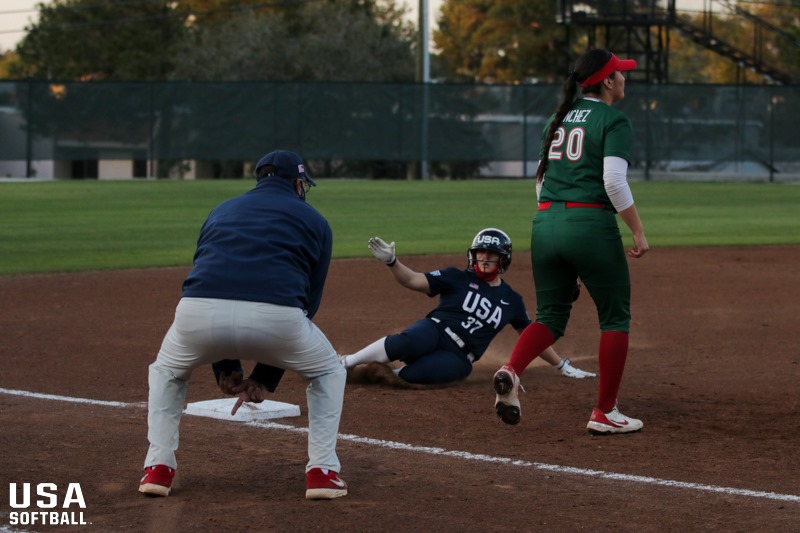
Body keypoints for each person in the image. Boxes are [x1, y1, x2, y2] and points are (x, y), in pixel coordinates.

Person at [138, 149, 348, 500]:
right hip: (277, 318)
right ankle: (322, 472)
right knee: (328, 372)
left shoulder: (221, 210)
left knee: (167, 372)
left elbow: (208, 274)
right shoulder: (316, 221)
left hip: (196, 312)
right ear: (298, 184)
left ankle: (158, 468)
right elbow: (307, 305)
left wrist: (227, 368)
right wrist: (265, 377)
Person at [492, 49, 650, 434]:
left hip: (545, 222)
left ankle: (511, 370)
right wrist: (638, 230)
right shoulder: (614, 120)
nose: (625, 79)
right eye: (620, 74)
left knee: (550, 316)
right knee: (614, 317)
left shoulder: (556, 118)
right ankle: (605, 412)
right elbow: (613, 181)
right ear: (608, 81)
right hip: (589, 224)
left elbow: (541, 182)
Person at [339, 228, 596, 386]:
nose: (483, 258)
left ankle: (383, 374)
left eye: (490, 254)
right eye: (480, 252)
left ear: (503, 259)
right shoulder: (457, 276)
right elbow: (413, 280)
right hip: (435, 330)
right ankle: (345, 364)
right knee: (405, 342)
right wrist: (392, 262)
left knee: (421, 375)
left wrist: (562, 366)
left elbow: (532, 337)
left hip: (460, 357)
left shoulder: (512, 300)